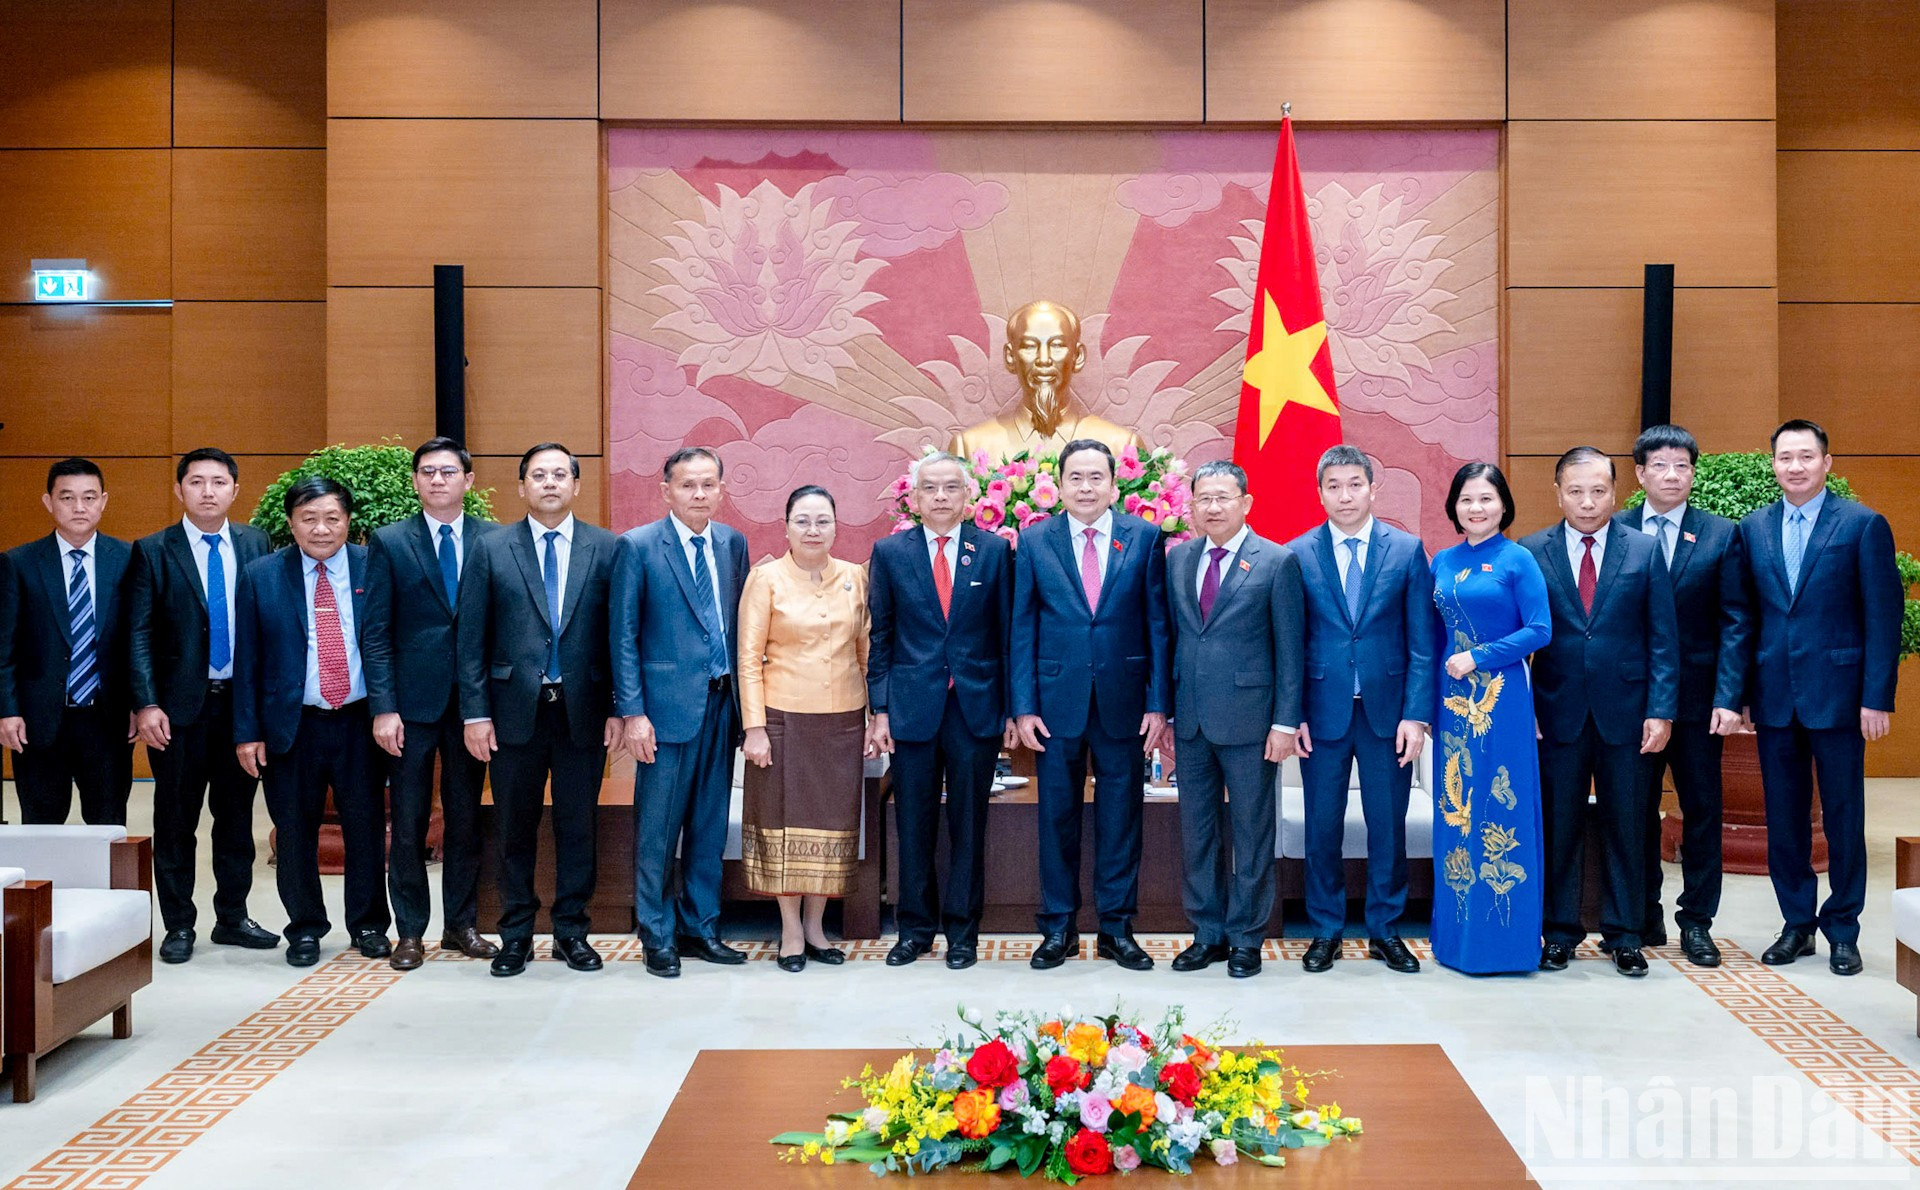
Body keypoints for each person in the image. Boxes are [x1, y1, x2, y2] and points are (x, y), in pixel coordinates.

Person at [1739, 419, 1902, 977]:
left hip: (1840, 696)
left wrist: (1876, 697)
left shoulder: (1861, 525)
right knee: (1782, 818)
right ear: (1774, 465)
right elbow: (1744, 618)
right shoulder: (1753, 528)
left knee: (1842, 817)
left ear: (1827, 463)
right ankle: (1796, 926)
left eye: (1806, 456)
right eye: (1785, 457)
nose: (1795, 466)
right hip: (1775, 696)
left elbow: (1884, 616)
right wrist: (1737, 694)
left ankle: (1843, 929)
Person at [458, 443, 620, 978]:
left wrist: (620, 708)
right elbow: (472, 639)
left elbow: (619, 638)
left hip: (584, 712)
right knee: (513, 826)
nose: (549, 483)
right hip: (510, 713)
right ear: (522, 486)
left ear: (576, 485)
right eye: (538, 475)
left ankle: (573, 931)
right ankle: (516, 934)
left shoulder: (606, 548)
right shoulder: (491, 547)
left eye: (559, 475)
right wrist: (475, 713)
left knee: (578, 826)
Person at [1011, 439, 1171, 972]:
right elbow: (1022, 628)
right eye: (1075, 477)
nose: (1085, 487)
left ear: (1113, 483)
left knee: (1121, 819)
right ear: (1059, 484)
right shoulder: (1034, 542)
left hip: (1125, 703)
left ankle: (1117, 929)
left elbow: (1156, 625)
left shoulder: (1144, 537)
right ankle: (1057, 928)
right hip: (1055, 705)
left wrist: (1157, 703)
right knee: (1056, 817)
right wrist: (1023, 706)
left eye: (1095, 477)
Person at [1521, 447, 1678, 978]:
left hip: (1628, 714)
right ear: (1557, 492)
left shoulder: (1643, 549)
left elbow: (1663, 638)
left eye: (1598, 491)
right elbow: (1518, 644)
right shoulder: (1531, 550)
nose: (1587, 502)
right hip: (1556, 713)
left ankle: (1625, 933)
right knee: (1558, 825)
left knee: (1629, 825)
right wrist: (1524, 710)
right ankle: (1559, 931)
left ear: (1616, 491)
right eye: (1575, 491)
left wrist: (1661, 710)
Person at [1287, 445, 1435, 975]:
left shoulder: (1407, 550)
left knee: (1387, 825)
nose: (1344, 495)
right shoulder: (1297, 553)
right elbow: (1291, 643)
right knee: (1321, 826)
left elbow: (1422, 641)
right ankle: (1325, 929)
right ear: (1320, 492)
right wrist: (1291, 713)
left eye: (1354, 484)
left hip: (1388, 715)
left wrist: (1416, 715)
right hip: (1320, 715)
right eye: (1333, 486)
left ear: (1374, 489)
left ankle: (1385, 930)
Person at [233, 476, 391, 967]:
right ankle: (304, 927)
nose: (321, 529)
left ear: (348, 521)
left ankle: (368, 924)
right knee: (295, 830)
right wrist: (247, 732)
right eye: (309, 518)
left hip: (359, 722)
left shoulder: (375, 567)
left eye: (332, 518)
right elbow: (248, 662)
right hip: (292, 725)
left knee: (365, 827)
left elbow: (389, 643)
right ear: (291, 523)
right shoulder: (261, 575)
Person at [128, 448, 278, 963]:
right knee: (175, 821)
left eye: (219, 482)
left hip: (240, 708)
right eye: (196, 482)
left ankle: (232, 917)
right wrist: (146, 703)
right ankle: (178, 924)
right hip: (178, 711)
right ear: (179, 490)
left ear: (236, 490)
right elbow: (140, 633)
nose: (208, 491)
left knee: (236, 818)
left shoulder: (257, 543)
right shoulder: (151, 550)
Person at [867, 452, 1015, 972]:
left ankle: (963, 933)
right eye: (930, 488)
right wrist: (879, 709)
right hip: (911, 707)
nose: (940, 497)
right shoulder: (890, 552)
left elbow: (1006, 638)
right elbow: (881, 636)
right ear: (914, 496)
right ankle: (914, 929)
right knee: (914, 822)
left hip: (974, 705)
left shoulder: (994, 551)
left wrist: (1012, 710)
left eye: (951, 487)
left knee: (969, 824)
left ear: (967, 496)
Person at [610, 446, 750, 979]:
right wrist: (633, 712)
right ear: (666, 490)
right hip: (663, 713)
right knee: (657, 829)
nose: (699, 494)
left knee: (710, 826)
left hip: (721, 705)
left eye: (708, 485)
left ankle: (701, 927)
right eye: (688, 485)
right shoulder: (639, 547)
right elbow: (622, 636)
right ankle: (657, 934)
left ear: (720, 490)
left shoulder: (732, 543)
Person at [362, 438, 500, 971]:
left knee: (465, 820)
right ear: (415, 481)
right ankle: (411, 933)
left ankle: (461, 926)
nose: (438, 480)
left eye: (448, 471)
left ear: (469, 480)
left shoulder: (495, 539)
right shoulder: (390, 541)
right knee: (411, 821)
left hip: (473, 706)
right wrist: (383, 706)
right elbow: (375, 633)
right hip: (410, 708)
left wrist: (484, 704)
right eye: (427, 472)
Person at [1617, 424, 1749, 968]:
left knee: (1701, 811)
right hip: (1628, 701)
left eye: (1682, 466)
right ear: (1640, 473)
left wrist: (1729, 696)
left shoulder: (1721, 535)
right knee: (1634, 811)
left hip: (1698, 704)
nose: (1672, 476)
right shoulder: (1614, 529)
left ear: (1693, 473)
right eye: (1661, 466)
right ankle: (1641, 914)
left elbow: (1736, 621)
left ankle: (1696, 921)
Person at [1166, 460, 1304, 980]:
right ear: (1193, 505)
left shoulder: (1275, 561)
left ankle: (1247, 937)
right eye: (1204, 498)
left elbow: (1291, 649)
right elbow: (1175, 640)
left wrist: (1285, 722)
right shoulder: (1178, 560)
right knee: (1196, 832)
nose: (1213, 507)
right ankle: (1206, 933)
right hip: (1193, 720)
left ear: (1246, 502)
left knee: (1251, 832)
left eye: (1224, 497)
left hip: (1253, 722)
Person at [738, 485, 870, 973]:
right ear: (786, 526)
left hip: (842, 722)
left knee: (832, 826)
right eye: (803, 521)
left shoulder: (855, 577)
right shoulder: (766, 579)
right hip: (782, 719)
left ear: (836, 525)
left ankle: (817, 927)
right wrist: (754, 727)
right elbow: (748, 659)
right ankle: (790, 931)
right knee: (783, 823)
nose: (813, 530)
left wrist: (876, 716)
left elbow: (866, 653)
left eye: (823, 521)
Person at [1429, 462, 1551, 975]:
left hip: (1502, 704)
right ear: (1454, 506)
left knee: (1500, 812)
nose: (1475, 508)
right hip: (1452, 706)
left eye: (1486, 499)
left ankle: (1506, 944)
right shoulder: (1442, 559)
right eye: (1466, 500)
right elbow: (1433, 635)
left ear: (1503, 504)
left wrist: (1479, 657)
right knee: (1457, 811)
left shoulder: (1518, 559)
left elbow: (1540, 630)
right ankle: (1456, 940)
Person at [0, 458, 134, 826]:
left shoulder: (129, 559)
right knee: (41, 827)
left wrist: (140, 703)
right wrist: (7, 710)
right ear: (48, 502)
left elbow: (138, 642)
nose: (79, 507)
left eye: (89, 497)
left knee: (108, 825)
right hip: (39, 721)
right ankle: (47, 887)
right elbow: (4, 647)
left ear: (104, 501)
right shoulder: (19, 563)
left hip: (107, 719)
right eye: (67, 497)